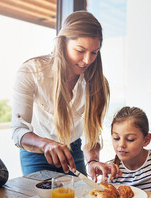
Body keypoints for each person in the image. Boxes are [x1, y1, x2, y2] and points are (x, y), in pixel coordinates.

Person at [11, 11, 120, 179]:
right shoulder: (31, 72)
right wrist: (45, 144)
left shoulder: (98, 83)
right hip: (36, 152)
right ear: (62, 43)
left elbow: (92, 132)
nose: (87, 60)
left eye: (94, 52)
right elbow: (18, 130)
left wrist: (92, 161)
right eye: (80, 50)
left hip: (73, 150)